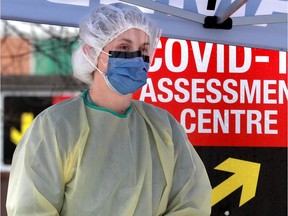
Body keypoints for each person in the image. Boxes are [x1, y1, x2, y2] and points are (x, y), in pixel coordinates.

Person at [6, 3, 211, 216]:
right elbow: (31, 208)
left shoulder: (164, 127)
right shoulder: (56, 126)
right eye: (124, 47)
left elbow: (192, 201)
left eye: (143, 49)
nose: (137, 58)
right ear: (92, 52)